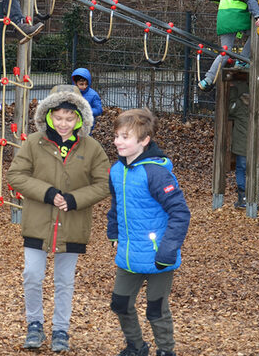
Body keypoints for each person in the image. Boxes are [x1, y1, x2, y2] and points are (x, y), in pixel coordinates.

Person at [7, 87, 110, 353]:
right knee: (32, 274)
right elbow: (16, 175)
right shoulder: (34, 142)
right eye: (59, 117)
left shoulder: (92, 147)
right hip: (38, 220)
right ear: (49, 116)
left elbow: (102, 184)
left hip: (72, 222)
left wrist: (74, 199)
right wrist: (48, 193)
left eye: (70, 118)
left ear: (79, 119)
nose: (64, 123)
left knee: (64, 280)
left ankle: (60, 329)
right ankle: (34, 325)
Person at [107, 108, 191, 356]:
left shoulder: (155, 173)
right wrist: (114, 234)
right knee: (120, 304)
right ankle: (136, 346)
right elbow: (116, 206)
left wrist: (168, 249)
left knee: (156, 309)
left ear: (144, 141)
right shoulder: (116, 170)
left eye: (125, 137)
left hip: (158, 255)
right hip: (129, 254)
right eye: (117, 136)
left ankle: (166, 350)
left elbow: (180, 213)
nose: (118, 142)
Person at [198, 0, 259, 91]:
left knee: (225, 51)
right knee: (257, 33)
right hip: (238, 17)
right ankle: (243, 60)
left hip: (223, 19)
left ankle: (207, 79)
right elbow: (251, 1)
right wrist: (258, 15)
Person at [228, 82, 259, 208]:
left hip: (242, 147)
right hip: (258, 146)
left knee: (241, 169)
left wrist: (233, 90)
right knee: (254, 170)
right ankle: (253, 197)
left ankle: (243, 197)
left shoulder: (240, 104)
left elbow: (230, 109)